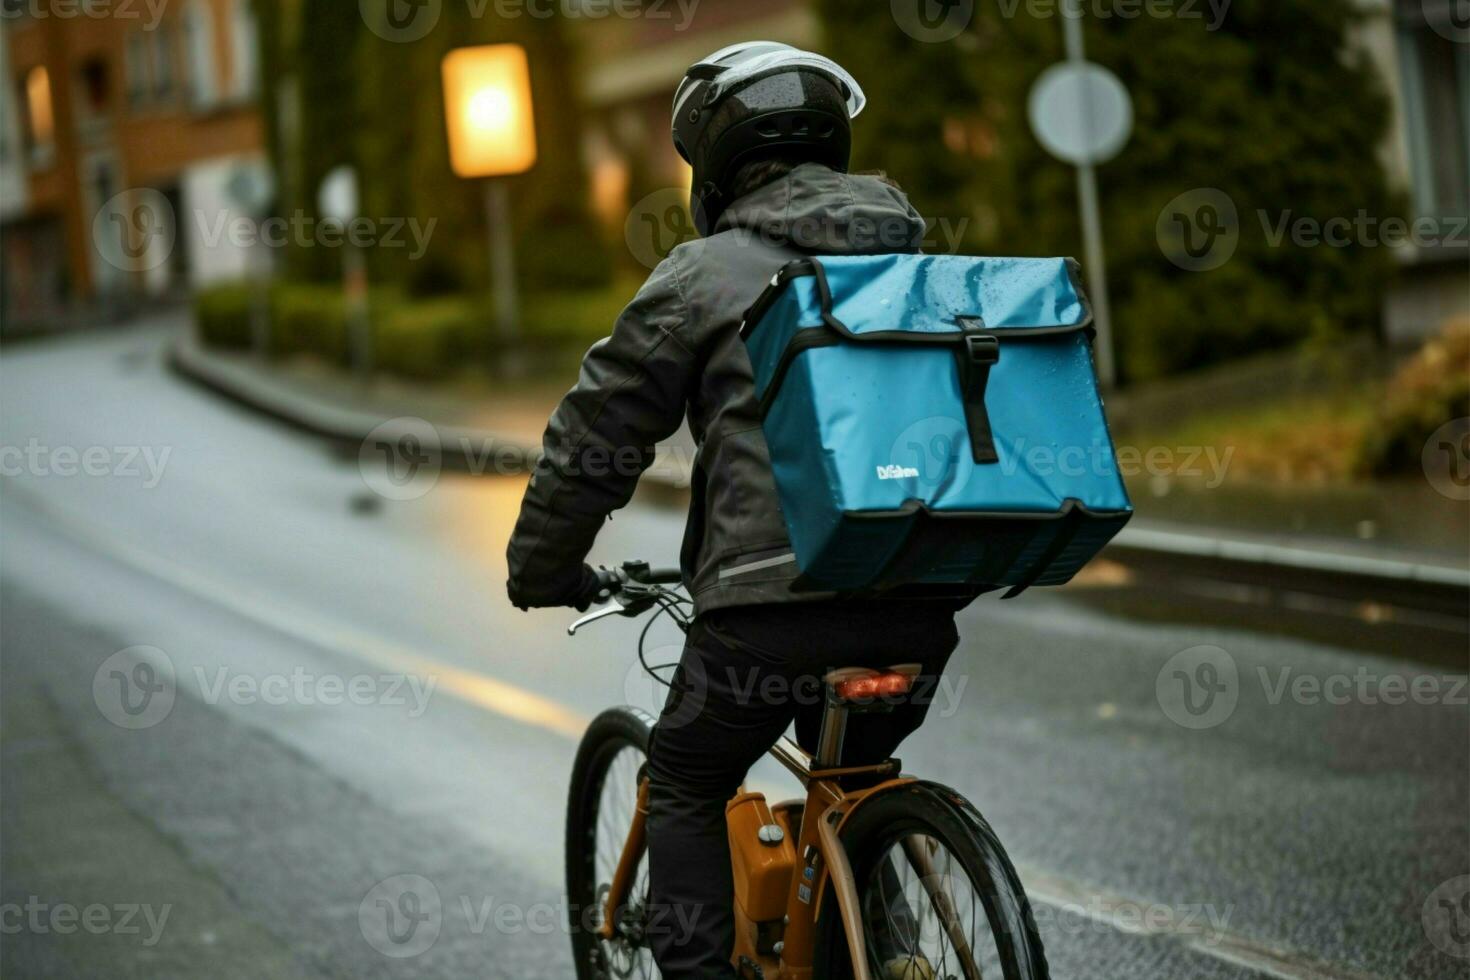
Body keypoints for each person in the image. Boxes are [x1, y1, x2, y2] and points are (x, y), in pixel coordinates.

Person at [506, 41, 974, 979]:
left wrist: (544, 570)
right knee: (854, 780)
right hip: (921, 603)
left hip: (766, 619)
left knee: (683, 780)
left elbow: (595, 439)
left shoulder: (701, 277)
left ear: (714, 171)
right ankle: (875, 946)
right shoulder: (918, 259)